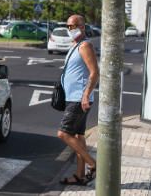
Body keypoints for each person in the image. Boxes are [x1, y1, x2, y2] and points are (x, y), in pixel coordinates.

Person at [58, 14, 99, 186]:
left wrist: (85, 94)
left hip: (79, 99)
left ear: (82, 27)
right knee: (79, 136)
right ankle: (79, 175)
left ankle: (93, 163)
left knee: (64, 134)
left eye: (73, 26)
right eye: (68, 26)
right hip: (73, 98)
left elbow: (95, 72)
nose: (70, 29)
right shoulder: (75, 46)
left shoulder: (85, 45)